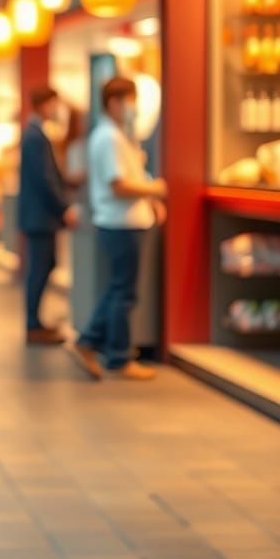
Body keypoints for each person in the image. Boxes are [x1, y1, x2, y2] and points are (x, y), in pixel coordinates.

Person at [68, 76, 167, 382]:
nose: (133, 107)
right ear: (113, 103)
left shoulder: (118, 135)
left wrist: (150, 198)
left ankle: (97, 345)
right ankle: (114, 354)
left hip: (125, 221)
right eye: (129, 101)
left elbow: (130, 175)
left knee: (119, 290)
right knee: (123, 293)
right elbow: (119, 185)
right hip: (121, 223)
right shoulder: (109, 137)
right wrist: (155, 189)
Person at [17, 86, 79, 345]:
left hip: (39, 216)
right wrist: (64, 208)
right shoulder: (35, 136)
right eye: (54, 104)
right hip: (39, 217)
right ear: (44, 104)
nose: (57, 109)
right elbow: (45, 179)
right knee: (40, 267)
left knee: (45, 264)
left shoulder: (36, 133)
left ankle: (36, 322)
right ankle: (33, 324)